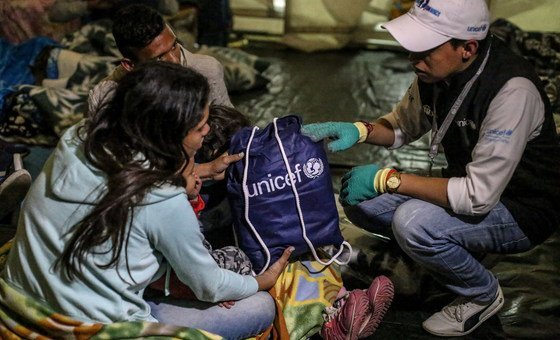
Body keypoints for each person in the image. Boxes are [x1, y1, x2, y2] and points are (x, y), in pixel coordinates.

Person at [302, 0, 560, 337]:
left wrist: (388, 179)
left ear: (467, 48)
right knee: (358, 196)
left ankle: (481, 293)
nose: (413, 58)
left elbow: (477, 197)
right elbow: (400, 127)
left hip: (521, 206)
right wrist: (359, 130)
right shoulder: (436, 72)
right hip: (471, 183)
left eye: (425, 48)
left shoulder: (511, 92)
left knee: (413, 223)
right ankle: (448, 249)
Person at [1, 62, 293, 339]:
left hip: (20, 304)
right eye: (200, 126)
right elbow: (209, 285)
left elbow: (122, 186)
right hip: (91, 328)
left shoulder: (77, 138)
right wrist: (259, 282)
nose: (207, 131)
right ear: (171, 132)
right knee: (260, 307)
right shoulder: (165, 200)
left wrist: (197, 169)